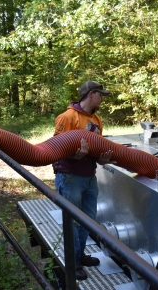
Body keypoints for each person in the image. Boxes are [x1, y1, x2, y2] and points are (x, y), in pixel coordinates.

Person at [52, 81, 117, 280]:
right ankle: (73, 263)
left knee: (87, 220)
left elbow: (96, 150)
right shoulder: (67, 117)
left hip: (89, 177)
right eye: (101, 95)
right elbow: (55, 148)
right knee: (72, 221)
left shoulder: (97, 119)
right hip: (70, 176)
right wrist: (75, 156)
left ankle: (80, 255)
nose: (102, 99)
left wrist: (101, 158)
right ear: (91, 94)